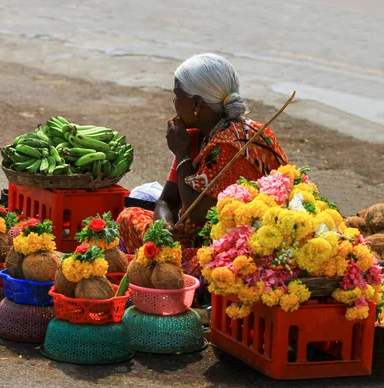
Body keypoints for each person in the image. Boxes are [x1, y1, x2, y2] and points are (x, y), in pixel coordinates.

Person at [118, 53, 289, 275]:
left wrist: (181, 153)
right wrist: (164, 228)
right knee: (129, 217)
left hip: (236, 247)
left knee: (211, 267)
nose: (174, 104)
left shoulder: (232, 144)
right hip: (193, 235)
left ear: (196, 103)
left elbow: (196, 214)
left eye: (177, 96)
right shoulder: (195, 135)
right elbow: (167, 201)